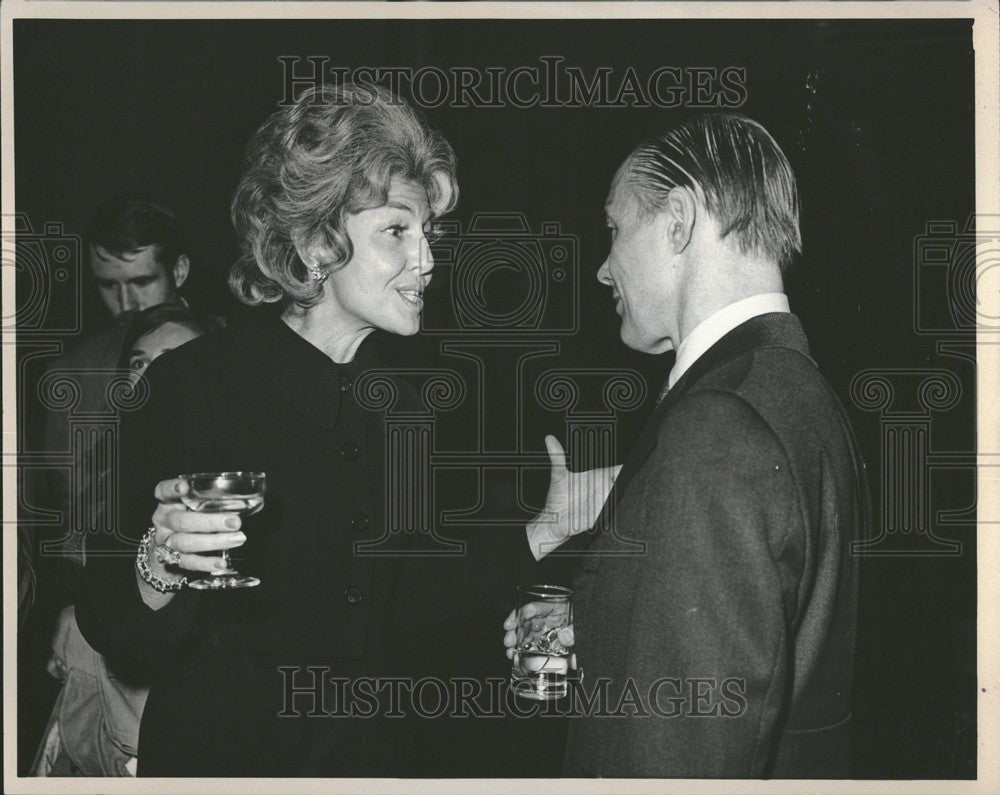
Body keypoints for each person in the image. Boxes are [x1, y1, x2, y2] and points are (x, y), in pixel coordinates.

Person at [75, 83, 532, 777]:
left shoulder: (407, 406)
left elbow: (401, 597)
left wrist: (543, 532)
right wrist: (158, 561)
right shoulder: (190, 385)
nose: (428, 261)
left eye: (429, 233)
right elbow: (108, 618)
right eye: (397, 231)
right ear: (317, 243)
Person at [506, 112, 867, 777]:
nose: (603, 269)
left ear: (677, 220)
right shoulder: (797, 389)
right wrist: (607, 627)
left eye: (614, 230)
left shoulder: (717, 427)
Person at [32, 304, 223, 777]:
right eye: (140, 363)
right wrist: (76, 612)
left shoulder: (228, 482)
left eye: (176, 358)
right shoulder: (114, 476)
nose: (155, 375)